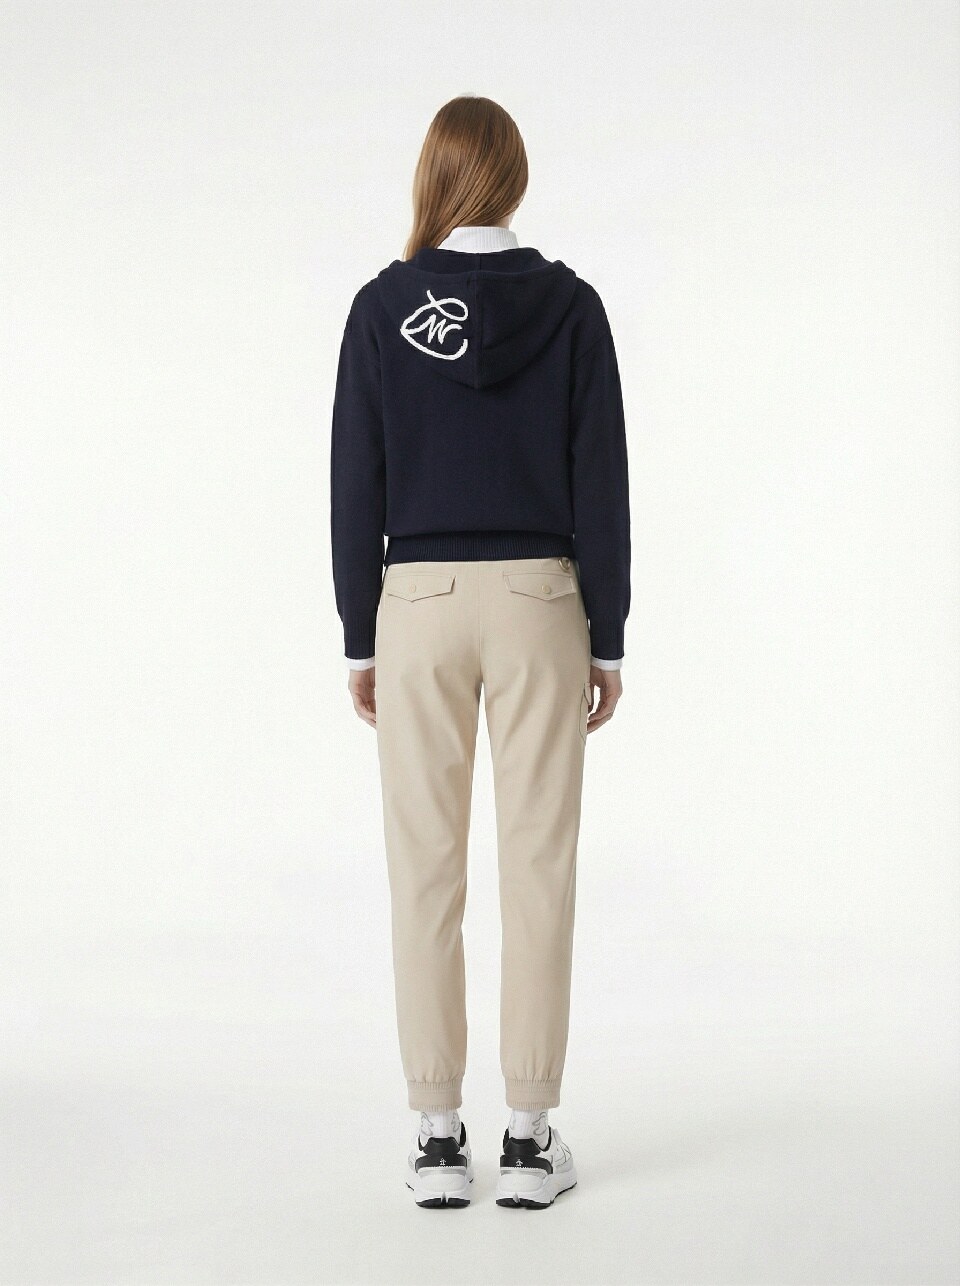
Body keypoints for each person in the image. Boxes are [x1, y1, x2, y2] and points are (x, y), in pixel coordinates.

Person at [330, 94, 631, 1208]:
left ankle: (435, 1136)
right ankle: (531, 1136)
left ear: (436, 174)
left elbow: (354, 477)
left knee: (425, 869)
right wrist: (608, 631)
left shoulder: (381, 307)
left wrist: (359, 631)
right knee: (539, 865)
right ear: (515, 176)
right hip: (543, 597)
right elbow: (601, 476)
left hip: (416, 599)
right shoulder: (571, 307)